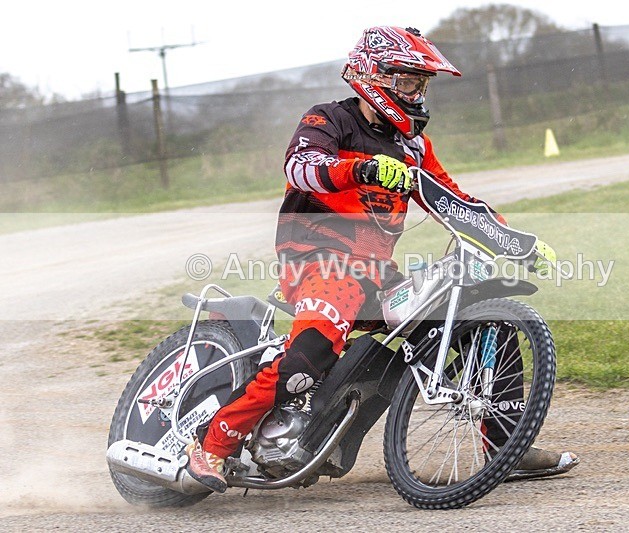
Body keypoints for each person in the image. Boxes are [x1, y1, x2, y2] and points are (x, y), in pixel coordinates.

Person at [186, 26, 579, 493]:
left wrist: (516, 242)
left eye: (423, 85)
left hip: (374, 275)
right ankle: (210, 445)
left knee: (479, 319)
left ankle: (504, 444)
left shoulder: (414, 147)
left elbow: (453, 201)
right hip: (319, 262)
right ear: (379, 77)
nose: (419, 94)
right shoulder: (328, 119)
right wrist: (362, 168)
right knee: (309, 355)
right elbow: (299, 166)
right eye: (411, 82)